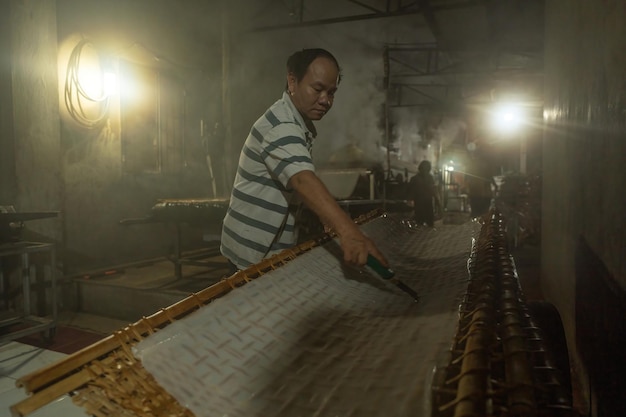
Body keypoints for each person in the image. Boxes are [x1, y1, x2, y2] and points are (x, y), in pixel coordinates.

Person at [220, 48, 388, 273]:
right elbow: (302, 180)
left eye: (331, 92)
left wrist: (325, 217)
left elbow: (294, 182)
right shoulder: (281, 127)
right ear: (292, 81)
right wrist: (351, 234)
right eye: (317, 89)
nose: (325, 100)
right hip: (252, 254)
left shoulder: (296, 124)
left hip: (266, 249)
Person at [408, 160, 439, 227]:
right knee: (426, 221)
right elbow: (432, 190)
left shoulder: (415, 179)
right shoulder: (429, 178)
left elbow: (411, 191)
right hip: (424, 202)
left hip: (422, 202)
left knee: (421, 220)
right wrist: (437, 200)